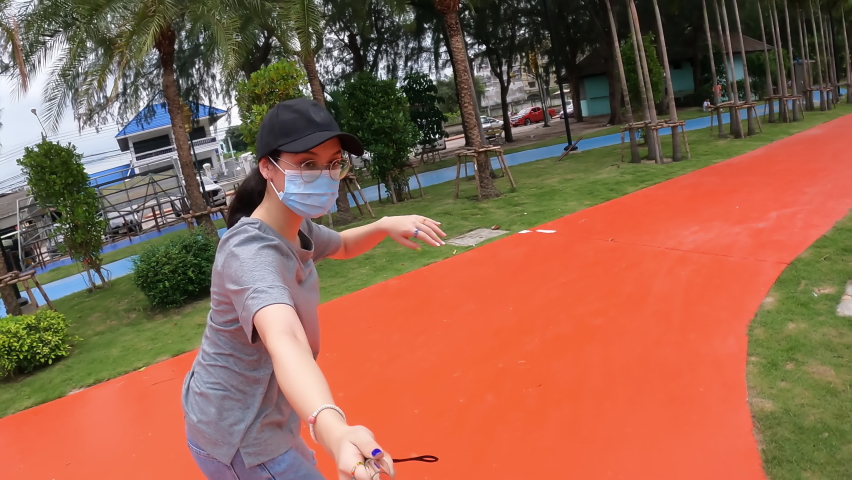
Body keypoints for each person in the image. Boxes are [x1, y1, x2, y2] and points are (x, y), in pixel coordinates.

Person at [182, 98, 446, 480]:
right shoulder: (250, 253)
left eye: (333, 162)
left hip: (256, 413)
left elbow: (341, 244)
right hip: (241, 434)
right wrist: (334, 431)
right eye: (307, 163)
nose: (325, 175)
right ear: (267, 168)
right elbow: (285, 338)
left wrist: (385, 224)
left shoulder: (295, 225)